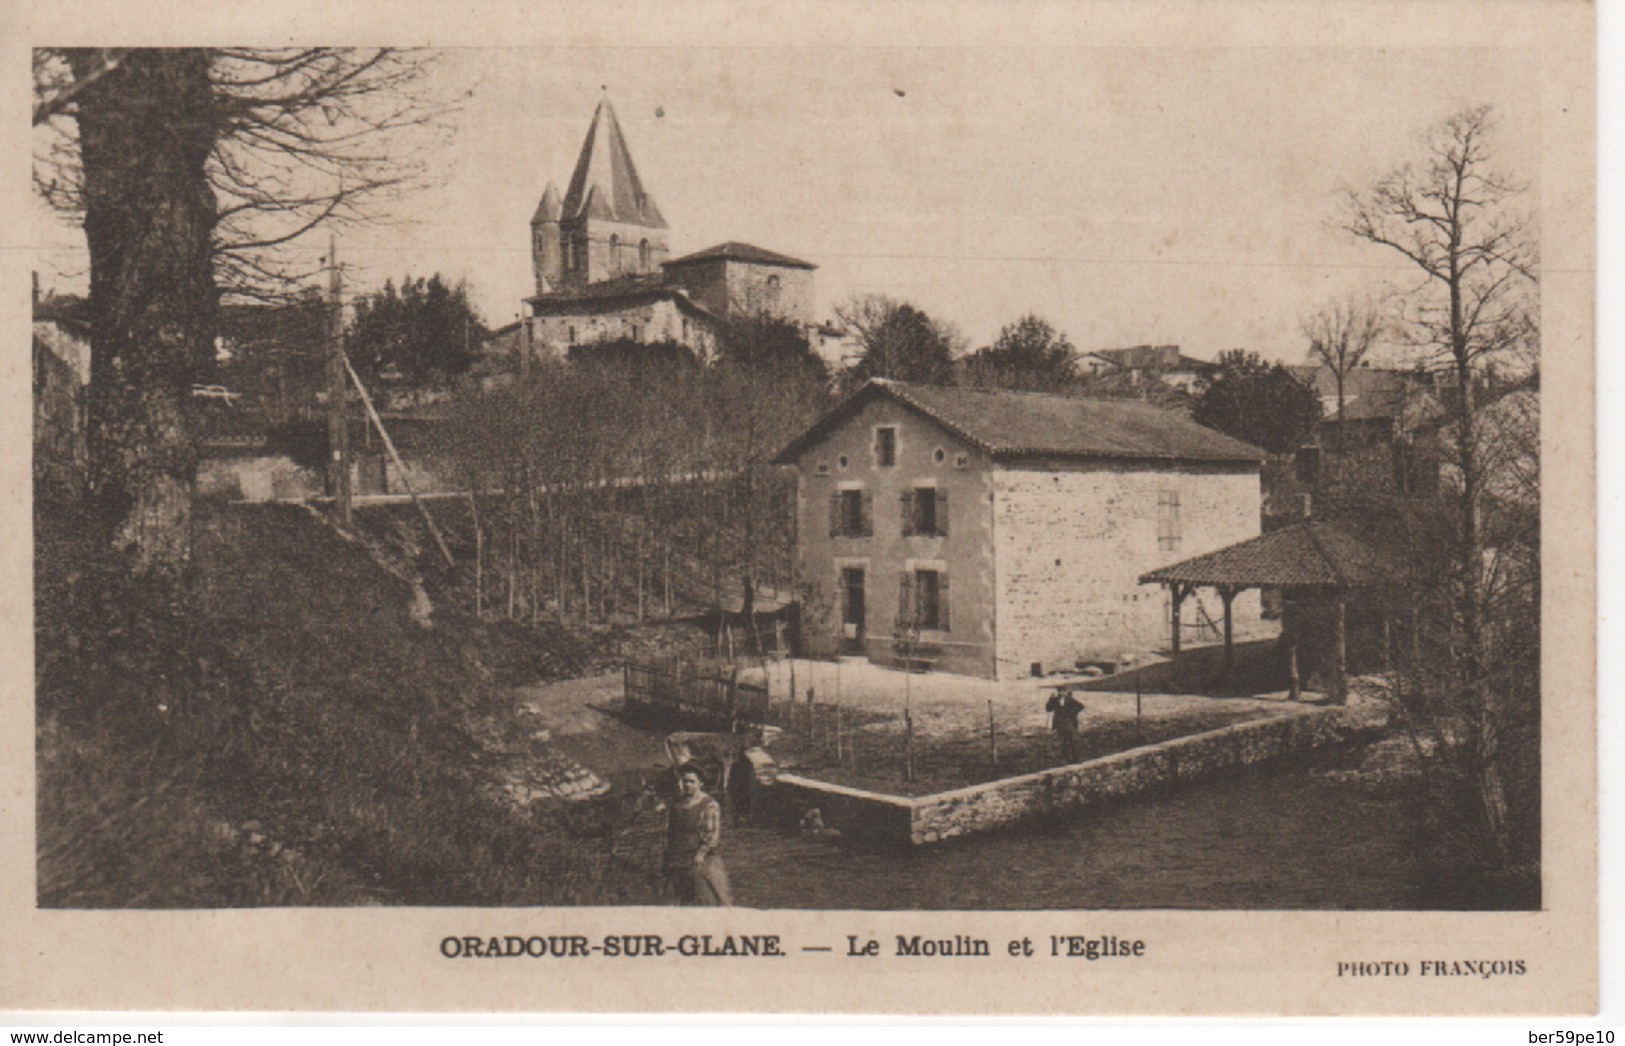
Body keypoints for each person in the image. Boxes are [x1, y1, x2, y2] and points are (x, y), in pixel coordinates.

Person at [663, 762, 733, 906]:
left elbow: (711, 833)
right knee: (677, 898)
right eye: (684, 781)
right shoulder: (677, 805)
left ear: (700, 783)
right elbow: (671, 832)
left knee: (706, 897)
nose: (687, 785)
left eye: (691, 781)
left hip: (700, 857)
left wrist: (701, 853)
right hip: (678, 856)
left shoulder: (708, 804)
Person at [1045, 689, 1084, 763]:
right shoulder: (1055, 700)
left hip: (1069, 723)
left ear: (1066, 692)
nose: (1061, 693)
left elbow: (1081, 706)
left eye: (1063, 691)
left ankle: (1076, 758)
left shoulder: (1070, 700)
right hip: (1060, 724)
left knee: (1072, 740)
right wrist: (1050, 699)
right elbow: (1048, 709)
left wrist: (1072, 713)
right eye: (1059, 691)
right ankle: (1067, 759)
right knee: (1063, 742)